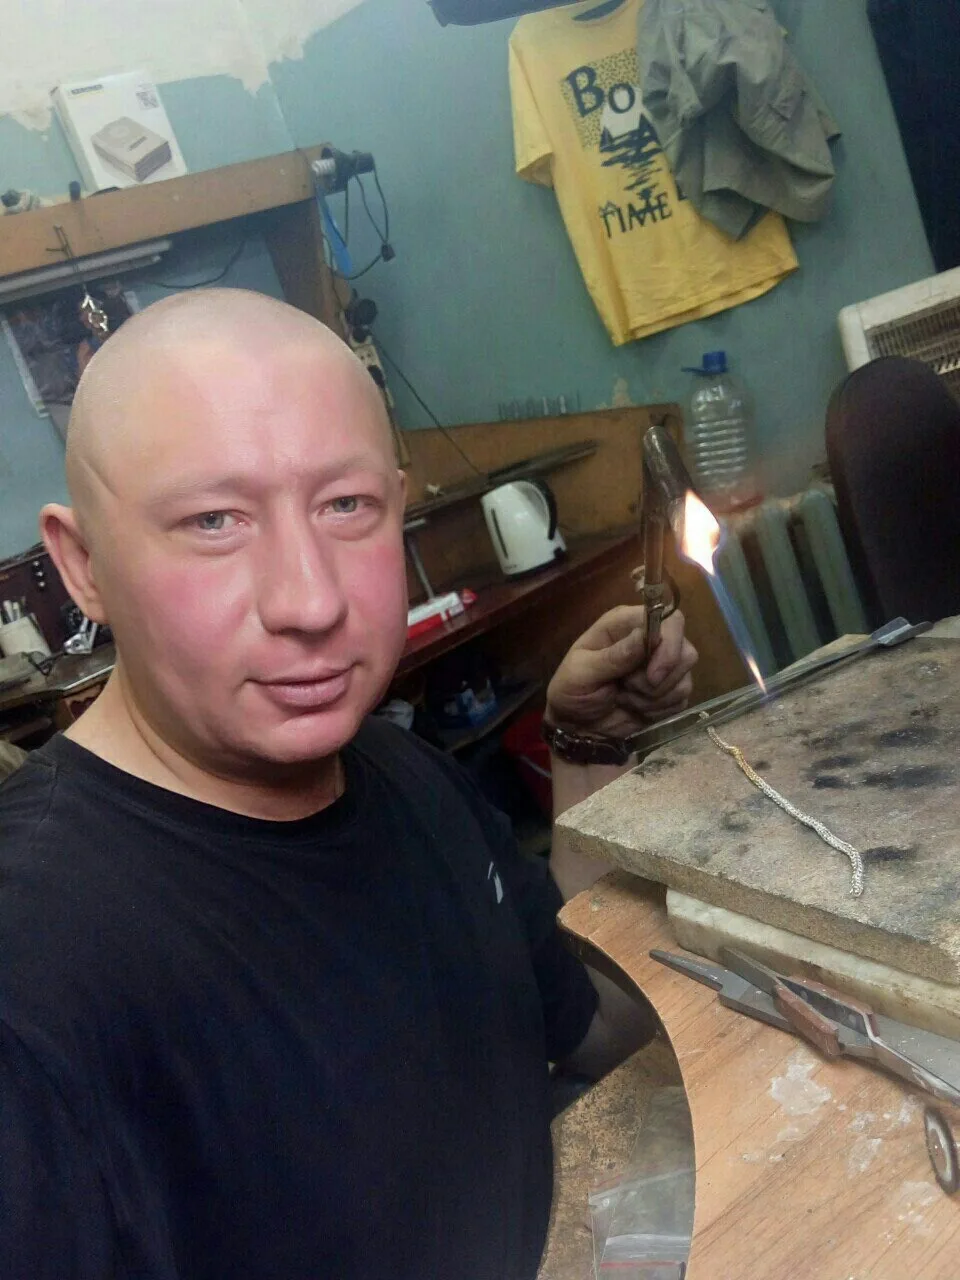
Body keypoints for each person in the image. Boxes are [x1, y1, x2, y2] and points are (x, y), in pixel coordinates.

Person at [0, 289, 697, 1280]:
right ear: (82, 566)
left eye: (346, 507)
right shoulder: (32, 981)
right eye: (213, 519)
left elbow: (591, 1021)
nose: (310, 599)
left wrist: (587, 743)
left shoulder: (406, 773)